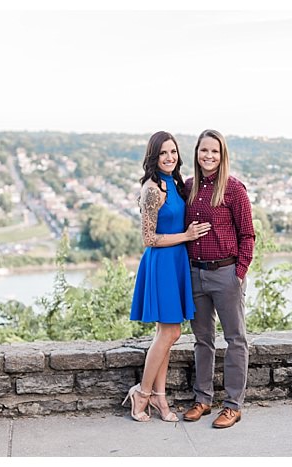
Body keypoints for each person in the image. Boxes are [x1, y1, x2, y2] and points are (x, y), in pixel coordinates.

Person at [123, 131, 211, 422]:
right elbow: (148, 238)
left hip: (176, 262)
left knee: (167, 334)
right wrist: (185, 236)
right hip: (161, 263)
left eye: (173, 152)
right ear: (153, 157)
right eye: (163, 153)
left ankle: (160, 399)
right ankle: (143, 393)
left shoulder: (175, 183)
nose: (169, 157)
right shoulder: (152, 189)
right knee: (170, 332)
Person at [182, 129, 256, 429]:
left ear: (222, 154)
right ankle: (203, 399)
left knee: (235, 339)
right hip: (195, 273)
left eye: (214, 151)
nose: (208, 156)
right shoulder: (188, 187)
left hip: (226, 273)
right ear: (197, 154)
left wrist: (238, 274)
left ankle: (233, 405)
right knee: (202, 340)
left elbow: (248, 235)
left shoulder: (234, 189)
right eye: (204, 151)